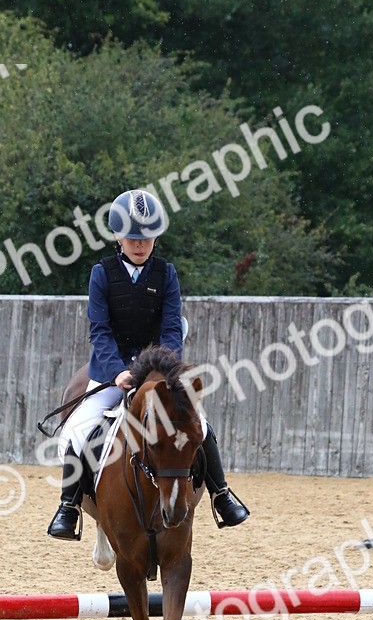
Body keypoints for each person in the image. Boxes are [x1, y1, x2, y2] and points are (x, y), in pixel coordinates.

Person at [47, 188, 250, 539]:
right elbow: (100, 331)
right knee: (78, 430)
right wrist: (118, 372)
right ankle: (68, 506)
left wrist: (163, 371)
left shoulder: (165, 273)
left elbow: (172, 329)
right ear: (118, 237)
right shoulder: (102, 273)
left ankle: (221, 494)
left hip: (157, 371)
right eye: (132, 238)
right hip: (111, 371)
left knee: (201, 426)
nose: (140, 244)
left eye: (146, 237)